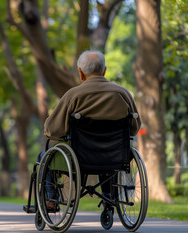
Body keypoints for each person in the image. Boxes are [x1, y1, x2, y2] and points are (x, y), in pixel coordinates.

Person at [40, 50, 141, 208]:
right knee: (108, 155)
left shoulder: (73, 96)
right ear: (104, 70)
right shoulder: (123, 94)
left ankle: (51, 199)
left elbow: (52, 129)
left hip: (80, 157)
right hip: (114, 156)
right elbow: (134, 128)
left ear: (80, 73)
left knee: (44, 156)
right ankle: (109, 196)